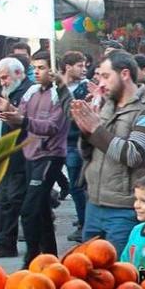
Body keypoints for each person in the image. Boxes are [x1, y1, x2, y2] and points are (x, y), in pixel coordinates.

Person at [71, 50, 145, 253]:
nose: (101, 83)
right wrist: (85, 132)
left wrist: (96, 129)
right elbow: (89, 153)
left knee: (121, 274)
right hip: (95, 203)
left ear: (124, 74)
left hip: (124, 208)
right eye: (99, 77)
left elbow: (134, 154)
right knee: (88, 270)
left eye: (106, 76)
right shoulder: (108, 104)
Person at [0, 51, 70, 267]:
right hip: (30, 155)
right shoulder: (31, 92)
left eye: (41, 67)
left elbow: (52, 126)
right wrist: (7, 109)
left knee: (29, 209)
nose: (36, 72)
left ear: (53, 71)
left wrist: (22, 120)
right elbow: (19, 117)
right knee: (40, 209)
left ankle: (31, 258)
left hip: (49, 156)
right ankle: (50, 257)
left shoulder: (60, 95)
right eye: (35, 67)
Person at [0, 57, 33, 258]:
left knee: (12, 200)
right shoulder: (7, 91)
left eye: (5, 77)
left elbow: (28, 122)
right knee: (5, 199)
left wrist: (8, 108)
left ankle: (7, 243)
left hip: (19, 156)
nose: (3, 81)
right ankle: (5, 241)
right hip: (5, 155)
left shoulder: (27, 92)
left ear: (18, 74)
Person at [61, 50, 89, 242]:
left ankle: (84, 223)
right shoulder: (59, 87)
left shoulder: (85, 88)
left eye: (84, 65)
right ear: (68, 67)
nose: (84, 69)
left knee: (78, 185)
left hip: (76, 142)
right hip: (59, 141)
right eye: (79, 65)